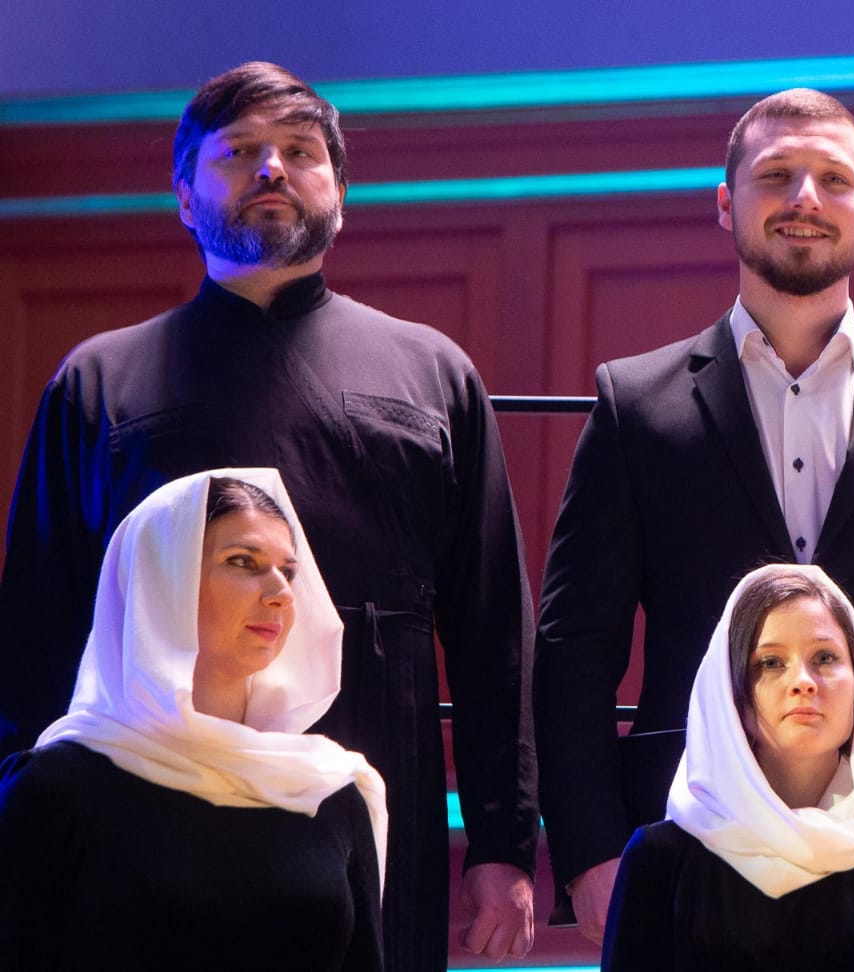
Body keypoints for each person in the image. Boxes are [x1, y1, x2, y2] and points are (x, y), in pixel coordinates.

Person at [0, 63, 537, 969]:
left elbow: (494, 635)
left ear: (340, 193)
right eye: (238, 151)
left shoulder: (433, 372)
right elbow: (38, 627)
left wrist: (503, 844)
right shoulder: (99, 381)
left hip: (376, 790)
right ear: (183, 196)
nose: (272, 168)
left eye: (299, 151)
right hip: (138, 825)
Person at [533, 88, 854, 946]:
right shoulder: (636, 406)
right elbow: (575, 645)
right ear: (725, 201)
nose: (806, 197)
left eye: (833, 179)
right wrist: (591, 853)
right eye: (777, 176)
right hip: (686, 843)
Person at [0, 469, 387, 969]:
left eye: (289, 571)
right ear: (161, 581)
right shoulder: (54, 790)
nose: (282, 592)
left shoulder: (329, 791)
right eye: (243, 561)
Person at [602, 564, 854, 970]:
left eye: (825, 657)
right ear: (732, 692)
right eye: (770, 662)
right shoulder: (659, 861)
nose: (803, 681)